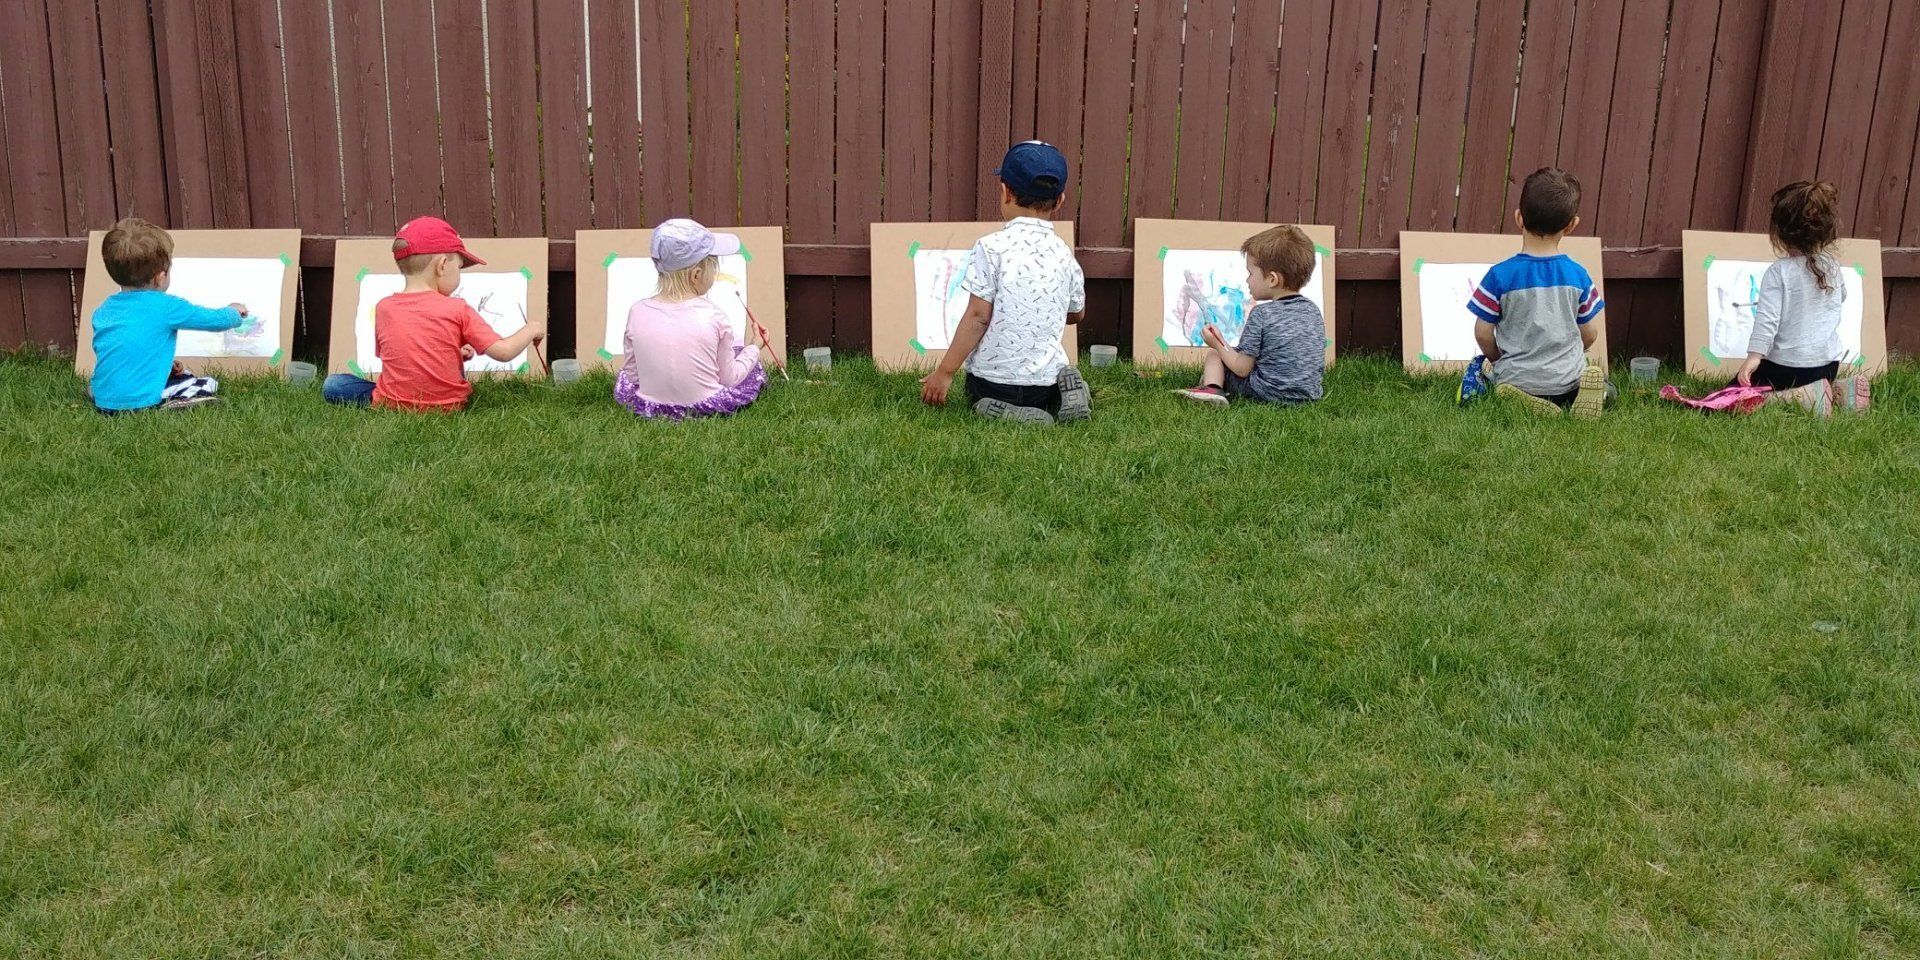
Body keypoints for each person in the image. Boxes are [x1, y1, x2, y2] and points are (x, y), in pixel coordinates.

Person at [919, 140, 1091, 425]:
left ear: (1005, 192)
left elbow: (977, 317)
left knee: (978, 393)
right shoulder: (1063, 253)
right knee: (1052, 376)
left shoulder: (991, 247)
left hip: (992, 383)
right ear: (1060, 200)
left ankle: (1003, 411)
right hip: (1044, 384)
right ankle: (1063, 397)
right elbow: (1077, 314)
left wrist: (945, 372)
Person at [322, 217, 545, 411]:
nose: (459, 275)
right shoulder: (458, 308)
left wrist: (453, 352)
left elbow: (406, 357)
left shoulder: (384, 308)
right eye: (459, 267)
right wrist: (531, 329)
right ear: (442, 266)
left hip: (392, 404)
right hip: (450, 406)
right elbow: (504, 352)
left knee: (334, 385)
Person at [1456, 167, 1608, 419]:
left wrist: (1497, 359)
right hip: (1566, 378)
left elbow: (1482, 334)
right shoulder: (1578, 275)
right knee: (1606, 387)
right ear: (1571, 226)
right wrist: (1571, 355)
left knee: (1491, 380)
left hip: (1517, 377)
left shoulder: (1500, 276)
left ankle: (1522, 398)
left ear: (1518, 218)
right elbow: (1590, 333)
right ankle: (1578, 397)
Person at [87, 217, 250, 414]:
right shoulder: (167, 306)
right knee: (206, 383)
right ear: (160, 277)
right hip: (141, 401)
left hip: (104, 400)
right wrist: (234, 312)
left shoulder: (104, 310)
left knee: (101, 383)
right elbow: (211, 320)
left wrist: (163, 363)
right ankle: (177, 402)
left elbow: (122, 351)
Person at [1732, 180, 1870, 414]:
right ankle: (1839, 390)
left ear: (1779, 233)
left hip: (1786, 369)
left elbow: (1767, 321)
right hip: (1828, 366)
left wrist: (1754, 357)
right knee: (1815, 381)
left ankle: (1800, 397)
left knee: (1736, 397)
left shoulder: (1779, 272)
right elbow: (1841, 297)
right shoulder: (1832, 267)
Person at [613, 219, 771, 419]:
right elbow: (729, 379)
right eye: (714, 269)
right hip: (704, 406)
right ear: (696, 275)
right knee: (747, 358)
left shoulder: (636, 311)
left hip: (649, 405)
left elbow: (632, 375)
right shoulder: (715, 316)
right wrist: (755, 346)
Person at [1174, 225, 1325, 407]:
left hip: (1267, 392)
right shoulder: (1313, 311)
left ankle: (1212, 390)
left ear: (1272, 279)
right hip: (1308, 394)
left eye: (1250, 273)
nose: (1247, 280)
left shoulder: (1262, 314)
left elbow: (1242, 368)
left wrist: (1217, 344)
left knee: (1215, 356)